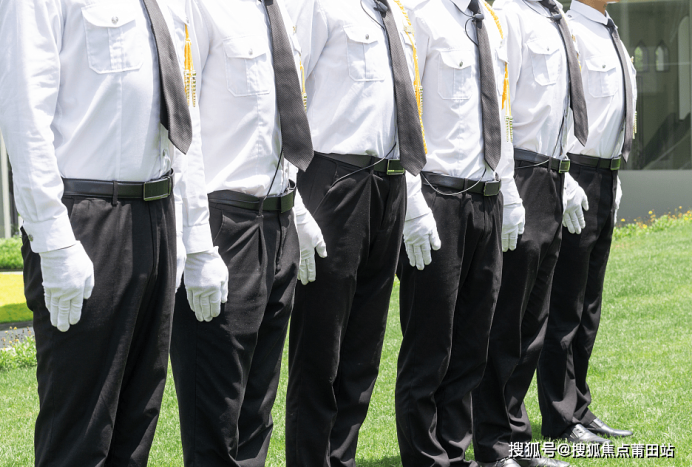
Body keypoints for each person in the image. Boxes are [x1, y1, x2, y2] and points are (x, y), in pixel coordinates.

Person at [0, 0, 196, 464]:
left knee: (137, 425)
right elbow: (25, 116)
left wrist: (184, 226)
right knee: (80, 435)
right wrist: (53, 240)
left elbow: (180, 107)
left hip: (157, 212)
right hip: (86, 221)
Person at [169, 0, 314, 465]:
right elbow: (184, 130)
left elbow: (281, 118)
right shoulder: (198, 7)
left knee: (258, 407)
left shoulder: (278, 12)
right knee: (216, 409)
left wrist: (298, 212)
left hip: (279, 219)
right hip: (224, 223)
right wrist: (197, 243)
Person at [284, 0, 427, 465]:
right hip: (334, 179)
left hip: (389, 182)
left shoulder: (395, 13)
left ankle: (341, 457)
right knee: (321, 347)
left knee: (363, 350)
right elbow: (287, 92)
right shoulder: (318, 5)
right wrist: (294, 201)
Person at [470, 0, 598, 464]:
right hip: (521, 174)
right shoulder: (509, 15)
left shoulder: (553, 18)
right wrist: (507, 187)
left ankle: (516, 438)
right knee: (507, 319)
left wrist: (565, 177)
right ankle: (492, 442)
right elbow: (500, 105)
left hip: (551, 175)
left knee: (533, 324)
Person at [395, 0, 522, 465]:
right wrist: (412, 203)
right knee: (430, 344)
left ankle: (454, 451)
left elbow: (501, 111)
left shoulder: (491, 21)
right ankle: (425, 458)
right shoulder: (421, 15)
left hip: (487, 197)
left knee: (472, 343)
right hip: (439, 197)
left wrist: (509, 191)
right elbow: (403, 114)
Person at [536, 0, 636, 443]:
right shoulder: (570, 29)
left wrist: (613, 174)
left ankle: (579, 407)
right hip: (576, 174)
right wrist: (567, 178)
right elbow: (556, 108)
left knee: (589, 306)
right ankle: (560, 417)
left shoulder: (609, 31)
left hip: (605, 174)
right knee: (566, 304)